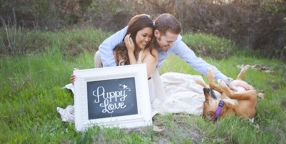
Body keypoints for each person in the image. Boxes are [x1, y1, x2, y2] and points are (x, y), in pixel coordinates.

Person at [98, 13, 245, 89]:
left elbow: (196, 62)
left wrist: (226, 80)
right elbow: (105, 46)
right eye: (168, 41)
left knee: (159, 100)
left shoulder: (174, 42)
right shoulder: (141, 28)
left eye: (174, 41)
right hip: (125, 65)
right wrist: (113, 74)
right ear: (157, 34)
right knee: (99, 56)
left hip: (149, 73)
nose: (171, 45)